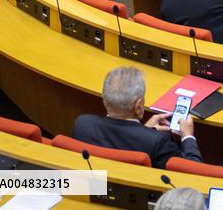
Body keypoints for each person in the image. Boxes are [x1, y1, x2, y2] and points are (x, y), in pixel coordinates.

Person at [73, 66, 202, 168]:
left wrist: (144, 130)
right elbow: (191, 174)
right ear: (138, 106)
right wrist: (188, 137)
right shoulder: (158, 142)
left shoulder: (82, 124)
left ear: (105, 100)